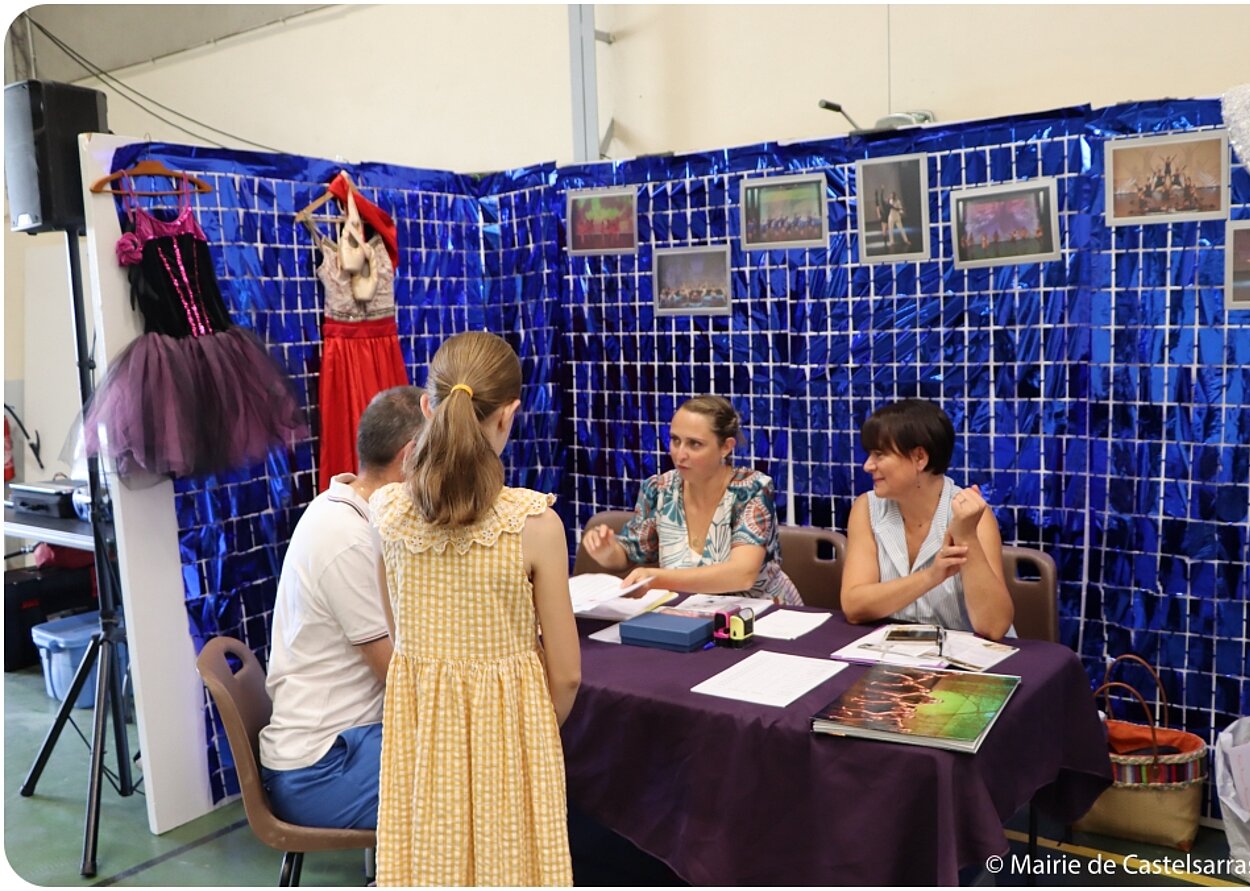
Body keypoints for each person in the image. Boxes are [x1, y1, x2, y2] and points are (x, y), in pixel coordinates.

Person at [369, 330, 580, 886]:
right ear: (510, 416)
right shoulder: (535, 525)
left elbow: (399, 631)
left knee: (430, 869)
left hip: (421, 740)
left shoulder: (387, 512)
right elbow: (568, 676)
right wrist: (526, 727)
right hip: (510, 742)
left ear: (425, 407)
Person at [259, 385, 425, 830]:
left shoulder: (354, 514)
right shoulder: (345, 537)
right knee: (472, 778)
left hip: (351, 742)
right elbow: (398, 677)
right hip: (320, 767)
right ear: (410, 458)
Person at [582, 395, 803, 604]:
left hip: (762, 616)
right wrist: (608, 551)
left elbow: (742, 575)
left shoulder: (752, 489)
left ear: (726, 447)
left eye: (694, 444)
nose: (680, 454)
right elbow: (629, 555)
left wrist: (657, 579)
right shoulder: (659, 489)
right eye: (675, 441)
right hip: (689, 614)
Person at [840, 399, 1013, 638]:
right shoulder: (866, 508)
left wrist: (966, 536)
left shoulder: (973, 515)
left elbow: (993, 627)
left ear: (920, 458)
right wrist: (931, 576)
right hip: (894, 652)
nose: (868, 465)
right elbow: (854, 606)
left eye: (879, 454)